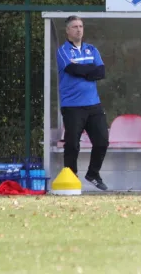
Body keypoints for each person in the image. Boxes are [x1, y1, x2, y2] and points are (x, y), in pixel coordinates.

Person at [56, 15, 109, 190]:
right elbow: (72, 68)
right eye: (75, 26)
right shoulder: (63, 51)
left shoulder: (91, 49)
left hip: (93, 104)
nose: (79, 29)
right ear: (68, 30)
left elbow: (101, 72)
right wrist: (89, 71)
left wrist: (84, 71)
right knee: (72, 144)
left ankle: (93, 173)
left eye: (81, 26)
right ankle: (71, 179)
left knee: (102, 141)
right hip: (72, 106)